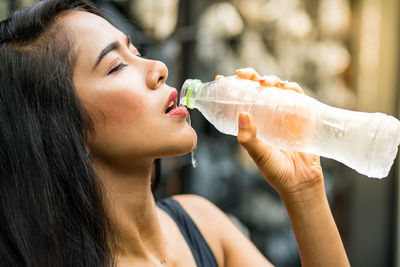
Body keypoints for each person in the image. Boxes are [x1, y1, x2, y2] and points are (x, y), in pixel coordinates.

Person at [0, 0, 349, 266]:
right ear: (64, 128)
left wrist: (304, 190)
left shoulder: (202, 224)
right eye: (117, 66)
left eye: (135, 50)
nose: (159, 68)